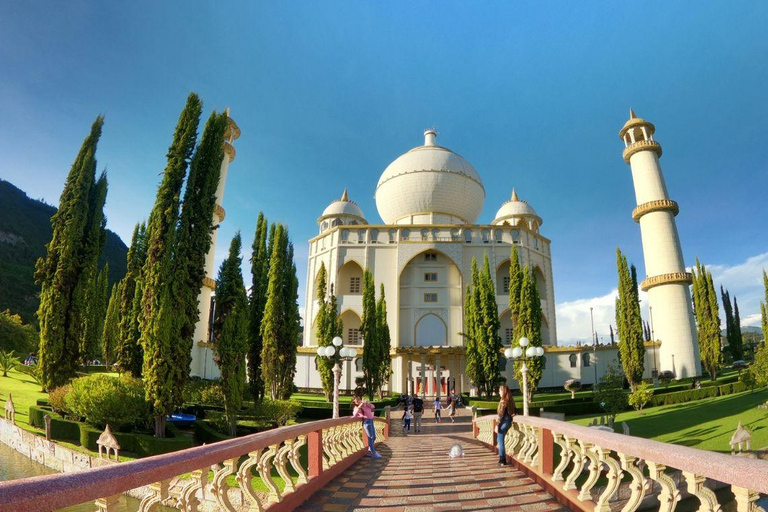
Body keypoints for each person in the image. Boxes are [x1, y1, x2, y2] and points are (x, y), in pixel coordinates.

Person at [494, 385, 516, 466]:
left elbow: (501, 414)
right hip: (508, 421)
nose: (499, 392)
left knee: (500, 440)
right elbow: (515, 411)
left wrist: (497, 425)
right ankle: (502, 459)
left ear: (504, 391)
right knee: (500, 439)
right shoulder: (510, 399)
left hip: (504, 422)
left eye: (500, 390)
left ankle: (502, 459)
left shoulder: (503, 401)